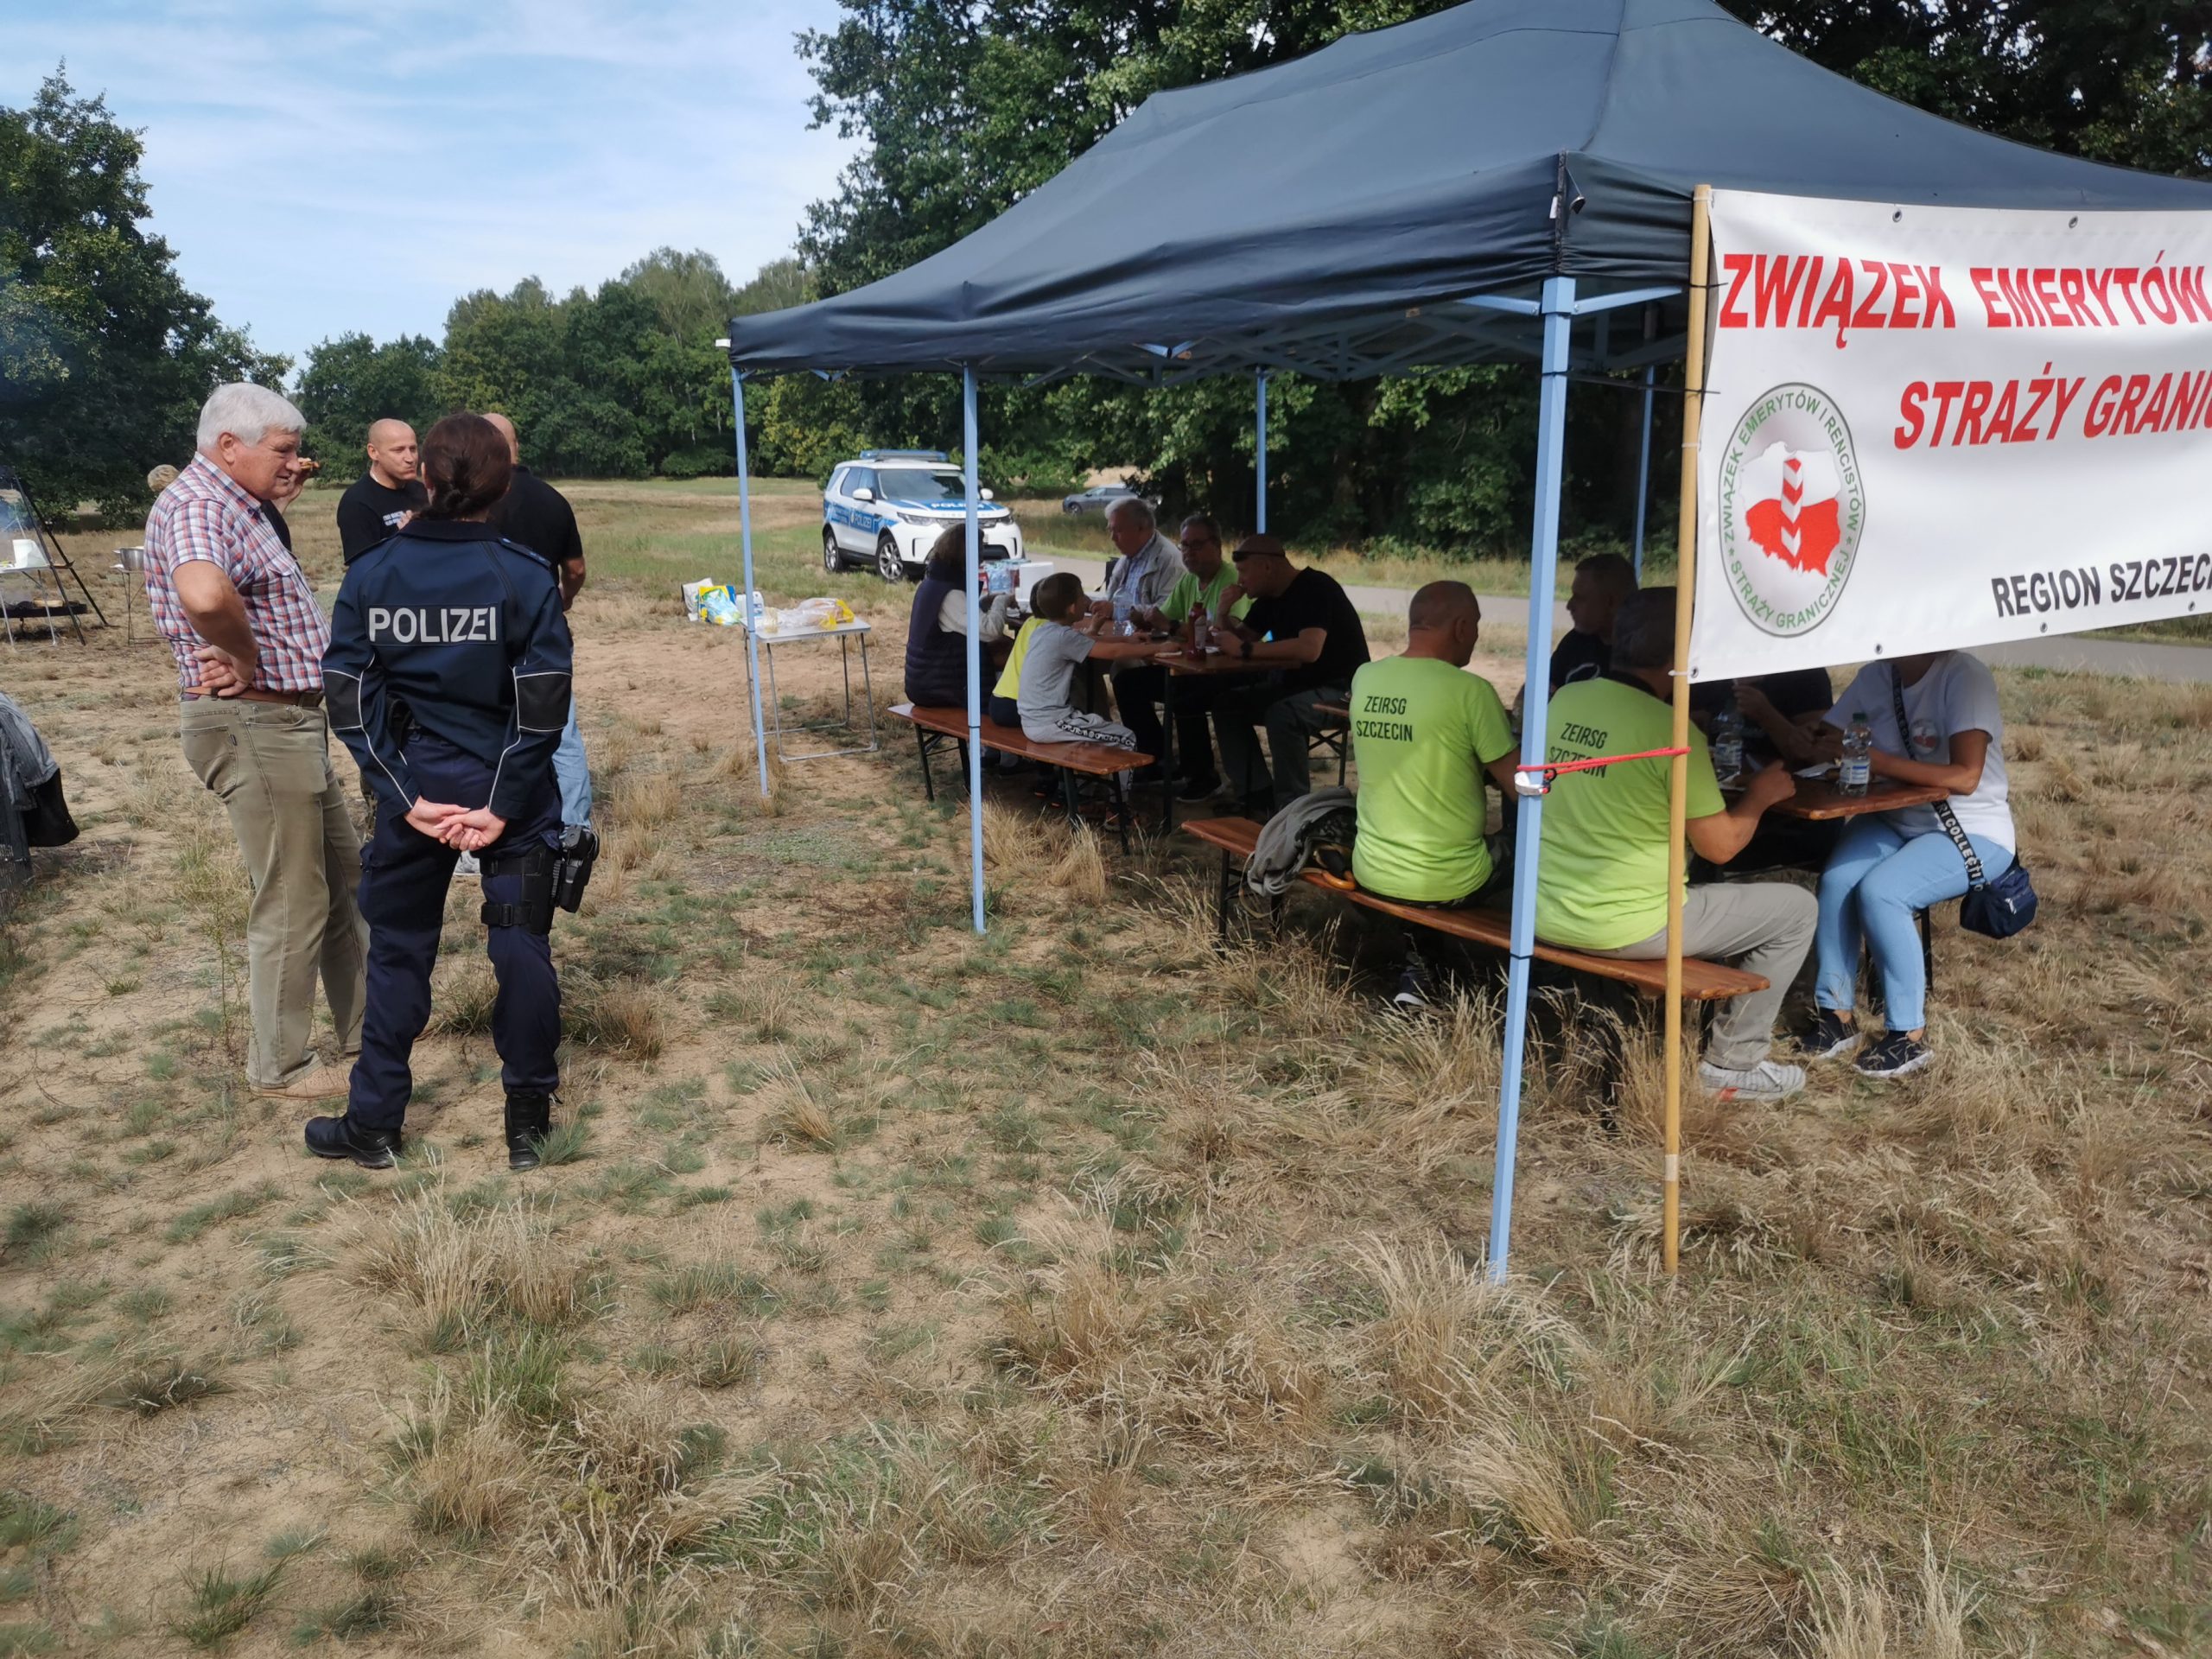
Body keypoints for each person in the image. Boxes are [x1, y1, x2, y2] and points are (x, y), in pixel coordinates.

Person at [312, 413, 576, 1171]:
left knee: (398, 951)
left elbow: (347, 696)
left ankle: (374, 1124)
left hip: (419, 785)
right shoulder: (525, 575)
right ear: (503, 485)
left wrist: (403, 794)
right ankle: (527, 1124)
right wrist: (503, 803)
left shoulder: (373, 573)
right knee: (520, 944)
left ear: (425, 477)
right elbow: (544, 706)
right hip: (506, 783)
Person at [143, 384, 366, 1101]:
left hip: (287, 725)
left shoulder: (235, 502)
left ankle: (369, 1031)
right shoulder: (200, 505)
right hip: (256, 723)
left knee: (343, 880)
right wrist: (242, 656)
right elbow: (206, 594)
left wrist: (275, 500)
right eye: (284, 450)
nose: (296, 462)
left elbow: (246, 581)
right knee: (294, 897)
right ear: (228, 446)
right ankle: (282, 1066)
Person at [1535, 589, 1814, 1100]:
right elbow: (1720, 848)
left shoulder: (1566, 699)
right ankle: (1733, 1063)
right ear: (1682, 654)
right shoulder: (1672, 731)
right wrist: (1760, 796)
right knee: (1797, 908)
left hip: (1546, 908)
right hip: (1627, 924)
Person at [1796, 651, 2015, 1079]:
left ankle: (1907, 1035)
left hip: (1971, 829)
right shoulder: (1876, 674)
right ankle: (1836, 1015)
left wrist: (1873, 758)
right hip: (1895, 817)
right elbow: (1829, 736)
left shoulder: (1965, 676)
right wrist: (1801, 731)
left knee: (1883, 893)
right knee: (1837, 881)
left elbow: (1965, 778)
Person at [1348, 582, 1520, 1007]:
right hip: (1449, 880)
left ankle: (1422, 968)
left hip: (1371, 866)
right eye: (1476, 626)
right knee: (1528, 848)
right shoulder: (1471, 691)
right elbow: (1520, 786)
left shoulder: (1366, 677)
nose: (1477, 636)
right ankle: (1552, 976)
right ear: (1461, 628)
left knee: (1435, 856)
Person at [482, 413, 593, 842]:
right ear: (517, 446)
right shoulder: (552, 499)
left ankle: (496, 821)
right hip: (545, 633)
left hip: (487, 635)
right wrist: (564, 597)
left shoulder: (473, 503)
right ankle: (576, 826)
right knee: (561, 731)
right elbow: (576, 569)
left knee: (492, 730)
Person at [1209, 535, 1371, 815]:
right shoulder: (1269, 598)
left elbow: (1309, 649)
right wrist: (1223, 614)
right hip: (1296, 686)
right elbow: (1243, 637)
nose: (1240, 579)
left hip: (1341, 689)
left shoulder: (1316, 588)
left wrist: (1245, 649)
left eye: (1244, 571)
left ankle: (1292, 810)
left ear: (1267, 566)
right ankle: (1258, 798)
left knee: (1284, 715)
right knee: (1227, 705)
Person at [1111, 513, 1250, 791]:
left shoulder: (1232, 582)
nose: (1188, 552)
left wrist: (1171, 626)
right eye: (1184, 545)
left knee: (1185, 697)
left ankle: (1201, 776)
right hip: (1194, 666)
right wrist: (1144, 618)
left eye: (1196, 545)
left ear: (1217, 545)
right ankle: (1156, 760)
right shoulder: (1189, 581)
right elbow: (1163, 617)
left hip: (1231, 671)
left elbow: (1228, 633)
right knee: (1128, 682)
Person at [1017, 572, 1165, 760]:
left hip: (1034, 721)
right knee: (1127, 738)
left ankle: (1108, 777)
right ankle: (1131, 780)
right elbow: (1114, 652)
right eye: (1082, 596)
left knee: (1101, 726)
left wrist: (1127, 639)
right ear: (1072, 608)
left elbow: (1087, 640)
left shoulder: (1044, 631)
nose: (1087, 600)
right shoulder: (1064, 637)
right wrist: (1159, 648)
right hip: (1052, 723)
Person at [904, 526, 1011, 708]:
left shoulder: (932, 583)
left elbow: (958, 620)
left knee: (1006, 647)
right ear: (964, 553)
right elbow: (991, 631)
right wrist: (1002, 600)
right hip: (940, 686)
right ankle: (1007, 708)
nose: (982, 559)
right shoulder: (950, 593)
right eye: (979, 551)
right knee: (1013, 653)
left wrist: (983, 602)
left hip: (927, 679)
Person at [336, 420, 427, 563]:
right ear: (373, 452)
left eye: (413, 449)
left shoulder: (422, 491)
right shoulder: (357, 503)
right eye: (398, 450)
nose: (410, 459)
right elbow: (363, 569)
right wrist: (404, 541)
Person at [1549, 552, 1637, 691]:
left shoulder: (1643, 654)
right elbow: (1539, 692)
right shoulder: (1574, 642)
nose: (1569, 606)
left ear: (1610, 602)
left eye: (1580, 598)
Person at [1090, 495, 1179, 620]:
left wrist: (1116, 611)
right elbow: (1113, 600)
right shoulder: (1129, 554)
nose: (1113, 538)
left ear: (1141, 528)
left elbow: (1166, 610)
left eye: (1118, 530)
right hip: (1120, 629)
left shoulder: (1169, 561)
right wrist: (1092, 604)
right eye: (1110, 530)